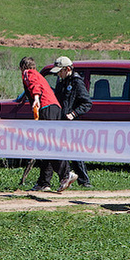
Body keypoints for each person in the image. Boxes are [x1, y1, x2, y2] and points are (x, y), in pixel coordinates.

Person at [20, 56, 77, 193]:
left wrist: (36, 99)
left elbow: (35, 86)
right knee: (45, 146)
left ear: (22, 68)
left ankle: (66, 174)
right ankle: (43, 182)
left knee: (47, 145)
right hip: (55, 108)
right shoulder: (39, 74)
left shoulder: (29, 73)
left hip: (46, 108)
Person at [51, 56, 94, 190]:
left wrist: (74, 113)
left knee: (74, 151)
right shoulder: (61, 82)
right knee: (61, 151)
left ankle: (84, 181)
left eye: (60, 71)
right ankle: (68, 177)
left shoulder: (76, 82)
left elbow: (87, 103)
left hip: (72, 123)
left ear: (67, 69)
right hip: (60, 122)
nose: (58, 74)